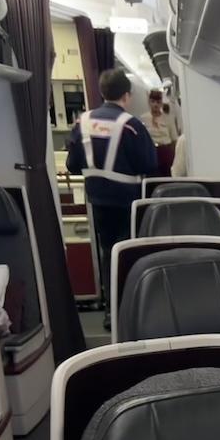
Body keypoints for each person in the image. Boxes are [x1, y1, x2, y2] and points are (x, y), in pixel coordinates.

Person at [65, 69, 156, 330]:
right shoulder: (131, 125)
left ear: (103, 93)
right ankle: (132, 310)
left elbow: (73, 164)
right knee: (128, 252)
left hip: (97, 199)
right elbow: (148, 163)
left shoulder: (82, 122)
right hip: (128, 201)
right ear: (126, 95)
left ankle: (111, 311)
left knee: (108, 253)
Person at [145, 89, 176, 176]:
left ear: (161, 103)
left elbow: (174, 138)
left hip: (165, 151)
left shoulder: (168, 118)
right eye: (153, 101)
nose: (155, 104)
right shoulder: (144, 118)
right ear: (149, 102)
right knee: (151, 175)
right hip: (150, 151)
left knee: (166, 176)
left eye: (158, 102)